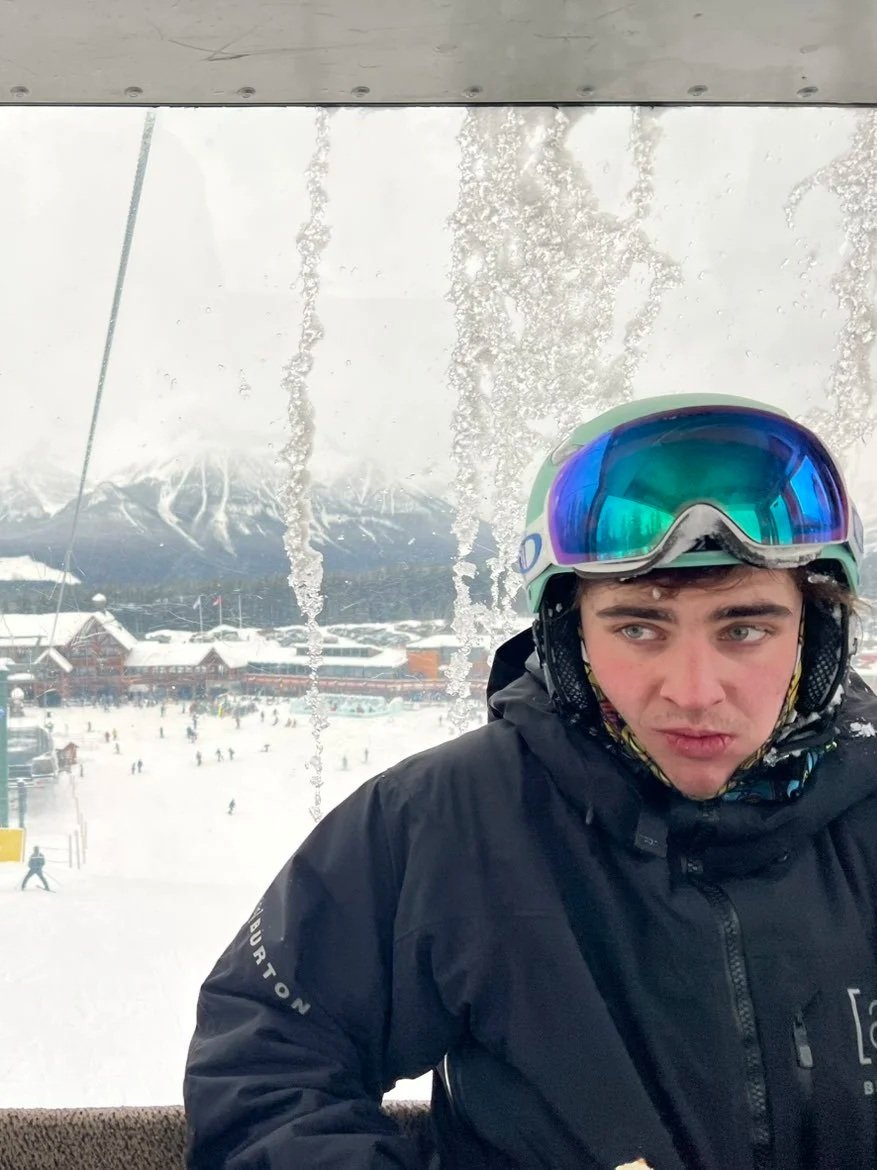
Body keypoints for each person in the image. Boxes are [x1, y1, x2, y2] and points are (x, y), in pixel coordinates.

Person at [184, 395, 876, 1170]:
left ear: (813, 637)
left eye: (743, 629)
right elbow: (270, 1061)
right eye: (637, 628)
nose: (693, 689)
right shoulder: (448, 820)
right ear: (569, 636)